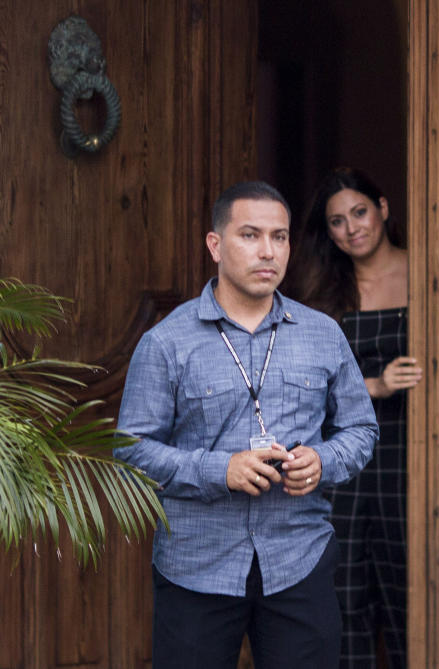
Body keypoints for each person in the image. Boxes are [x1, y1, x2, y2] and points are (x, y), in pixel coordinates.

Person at [115, 181, 378, 669]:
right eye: (251, 235)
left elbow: (362, 430)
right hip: (197, 567)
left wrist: (323, 460)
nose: (268, 251)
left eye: (279, 237)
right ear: (215, 245)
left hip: (299, 558)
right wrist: (221, 470)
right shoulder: (165, 343)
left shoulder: (323, 334)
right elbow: (130, 451)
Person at [287, 166, 421, 668]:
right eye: (338, 221)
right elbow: (299, 382)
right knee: (343, 594)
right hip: (340, 456)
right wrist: (377, 385)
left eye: (360, 213)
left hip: (411, 451)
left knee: (410, 587)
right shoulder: (319, 289)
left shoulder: (428, 272)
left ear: (383, 208)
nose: (352, 229)